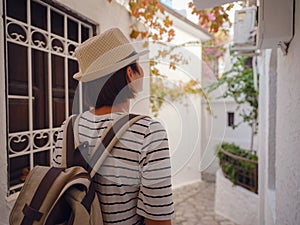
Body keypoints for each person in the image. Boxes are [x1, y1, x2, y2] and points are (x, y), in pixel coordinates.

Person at [53, 28, 174, 225]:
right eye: (138, 65)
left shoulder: (67, 128)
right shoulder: (149, 132)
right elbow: (157, 220)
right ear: (129, 73)